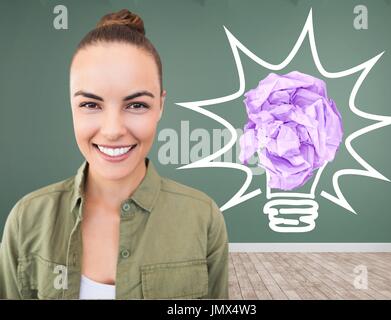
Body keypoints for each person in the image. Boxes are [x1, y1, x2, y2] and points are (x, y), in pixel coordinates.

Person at [0, 9, 229, 299]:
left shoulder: (203, 219)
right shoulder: (26, 220)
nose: (112, 130)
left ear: (160, 105)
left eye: (136, 106)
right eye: (90, 105)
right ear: (71, 106)